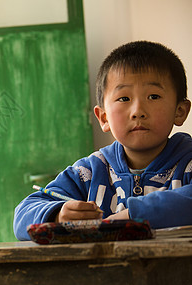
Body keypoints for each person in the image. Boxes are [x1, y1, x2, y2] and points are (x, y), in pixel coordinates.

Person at [13, 41, 192, 240]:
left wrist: (133, 214)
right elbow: (22, 215)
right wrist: (57, 214)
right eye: (124, 99)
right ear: (103, 118)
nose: (138, 112)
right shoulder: (89, 172)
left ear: (180, 111)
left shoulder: (188, 162)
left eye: (153, 96)